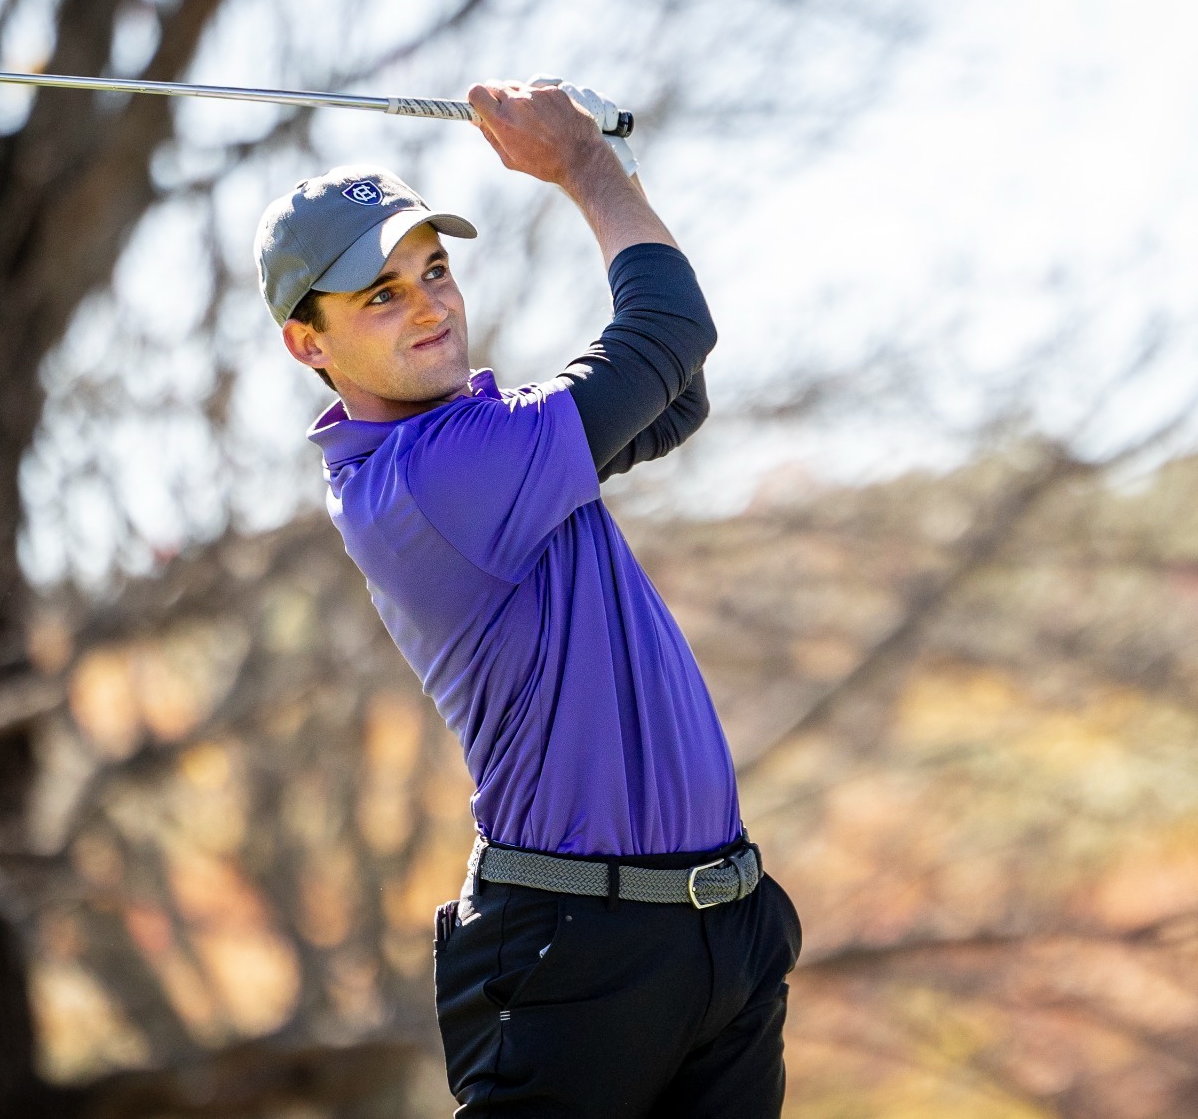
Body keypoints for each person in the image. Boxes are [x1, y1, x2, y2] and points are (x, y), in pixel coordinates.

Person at [253, 78, 802, 1117]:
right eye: (380, 294)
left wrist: (616, 170)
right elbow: (666, 332)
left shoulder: (483, 439)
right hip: (574, 952)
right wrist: (583, 168)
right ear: (307, 342)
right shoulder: (428, 475)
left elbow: (674, 395)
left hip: (715, 929)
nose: (429, 304)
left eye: (432, 270)